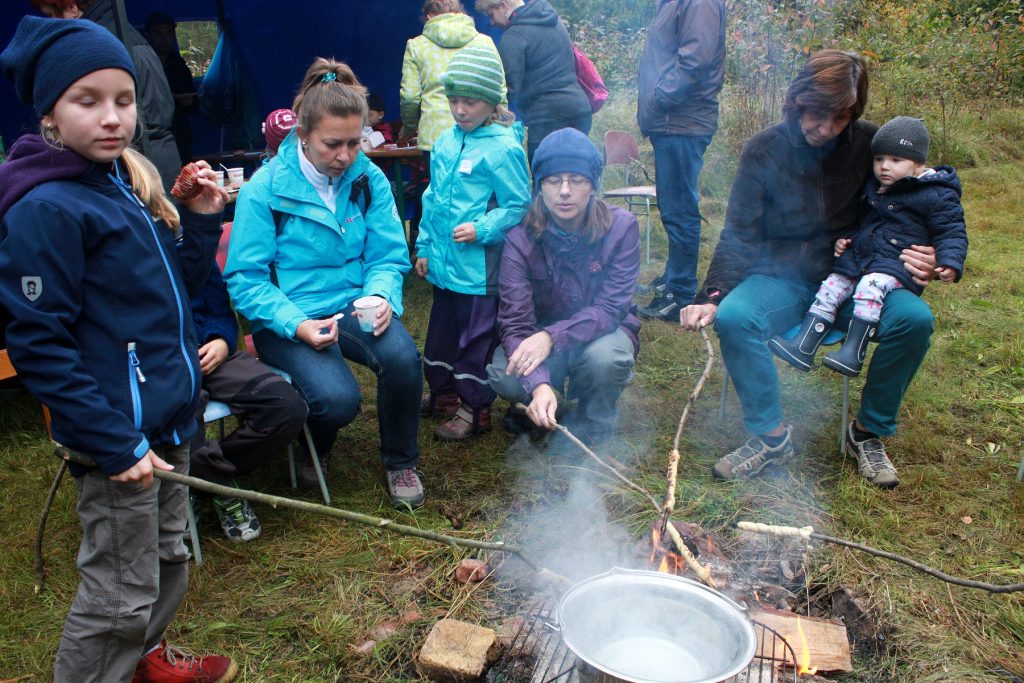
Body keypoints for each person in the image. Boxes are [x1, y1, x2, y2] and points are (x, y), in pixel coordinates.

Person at [0, 16, 233, 682]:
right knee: (118, 594)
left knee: (168, 560)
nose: (112, 117)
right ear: (49, 113)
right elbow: (39, 344)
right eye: (88, 100)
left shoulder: (120, 183)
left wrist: (199, 223)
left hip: (169, 420)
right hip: (119, 439)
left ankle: (139, 662)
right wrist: (115, 442)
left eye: (124, 100)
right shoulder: (48, 207)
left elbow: (172, 292)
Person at [678, 50, 940, 489]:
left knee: (914, 320)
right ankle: (771, 438)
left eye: (840, 119)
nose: (827, 128)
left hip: (857, 280)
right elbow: (739, 233)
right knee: (736, 317)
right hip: (781, 279)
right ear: (796, 101)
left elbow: (915, 204)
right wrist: (712, 295)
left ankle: (866, 433)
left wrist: (925, 252)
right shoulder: (763, 150)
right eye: (818, 115)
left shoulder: (870, 146)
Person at [224, 58, 425, 508]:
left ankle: (401, 461)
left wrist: (381, 294)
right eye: (332, 144)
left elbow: (388, 254)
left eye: (355, 142)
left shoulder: (367, 178)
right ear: (302, 134)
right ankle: (313, 446)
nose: (346, 156)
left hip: (353, 302)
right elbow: (246, 279)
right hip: (287, 316)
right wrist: (296, 325)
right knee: (337, 399)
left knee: (403, 359)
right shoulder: (264, 189)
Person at [769, 116, 967, 377]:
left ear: (918, 164)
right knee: (832, 285)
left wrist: (949, 261)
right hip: (862, 257)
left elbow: (952, 230)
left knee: (868, 288)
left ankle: (853, 352)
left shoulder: (937, 194)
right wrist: (847, 238)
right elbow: (863, 221)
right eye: (879, 159)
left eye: (896, 160)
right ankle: (803, 345)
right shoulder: (876, 188)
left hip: (895, 264)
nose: (884, 167)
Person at [487, 128, 641, 445]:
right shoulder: (520, 240)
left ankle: (594, 420)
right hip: (538, 333)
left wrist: (552, 337)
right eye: (554, 180)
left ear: (593, 185)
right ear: (540, 187)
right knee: (505, 372)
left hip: (601, 332)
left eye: (577, 180)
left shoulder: (622, 228)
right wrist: (539, 384)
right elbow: (515, 323)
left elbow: (611, 308)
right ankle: (542, 406)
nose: (565, 191)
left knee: (607, 359)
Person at [415, 46, 530, 440]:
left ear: (492, 102)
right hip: (445, 266)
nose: (460, 110)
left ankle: (474, 408)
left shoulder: (503, 147)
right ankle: (445, 395)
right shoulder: (446, 142)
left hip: (480, 270)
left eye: (471, 101)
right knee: (442, 334)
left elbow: (518, 205)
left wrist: (482, 228)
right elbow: (432, 198)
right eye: (453, 100)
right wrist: (424, 247)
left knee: (475, 339)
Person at [187, 263, 307, 542]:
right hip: (160, 365)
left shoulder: (190, 244)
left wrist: (221, 340)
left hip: (211, 352)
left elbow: (219, 308)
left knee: (286, 407)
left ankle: (201, 480)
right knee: (177, 424)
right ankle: (222, 489)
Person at [635, 0, 727, 321]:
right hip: (672, 122)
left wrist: (661, 97)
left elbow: (695, 60)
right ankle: (672, 278)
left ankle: (680, 293)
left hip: (681, 121)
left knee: (680, 210)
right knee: (672, 206)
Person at [30, 0, 182, 190]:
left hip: (143, 164)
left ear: (71, 7)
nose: (111, 118)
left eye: (51, 16)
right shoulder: (124, 35)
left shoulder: (97, 45)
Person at [400, 0, 504, 249]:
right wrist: (500, 128)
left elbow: (410, 96)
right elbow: (499, 91)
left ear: (429, 16)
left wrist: (410, 126)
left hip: (435, 136)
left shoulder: (417, 45)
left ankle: (434, 249)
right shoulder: (484, 41)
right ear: (460, 12)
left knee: (437, 194)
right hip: (482, 131)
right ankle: (479, 244)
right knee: (481, 192)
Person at [475, 0, 591, 163]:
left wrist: (481, 110)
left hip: (547, 118)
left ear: (503, 5)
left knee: (544, 174)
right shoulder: (553, 20)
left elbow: (507, 89)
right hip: (579, 110)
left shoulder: (514, 36)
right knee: (577, 171)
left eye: (491, 15)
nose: (491, 23)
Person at [144, 12, 197, 164]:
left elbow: (194, 106)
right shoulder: (142, 62)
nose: (164, 38)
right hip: (152, 136)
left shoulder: (179, 65)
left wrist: (188, 102)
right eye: (158, 33)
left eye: (168, 33)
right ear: (148, 34)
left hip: (179, 135)